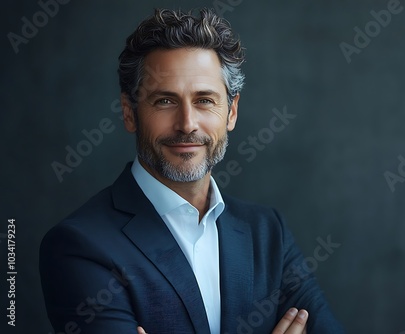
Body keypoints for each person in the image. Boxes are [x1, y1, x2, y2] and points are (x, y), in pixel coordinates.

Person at [39, 8, 344, 334]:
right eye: (165, 101)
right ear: (130, 114)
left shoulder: (268, 233)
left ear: (231, 112)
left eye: (204, 100)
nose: (187, 124)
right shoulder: (80, 246)